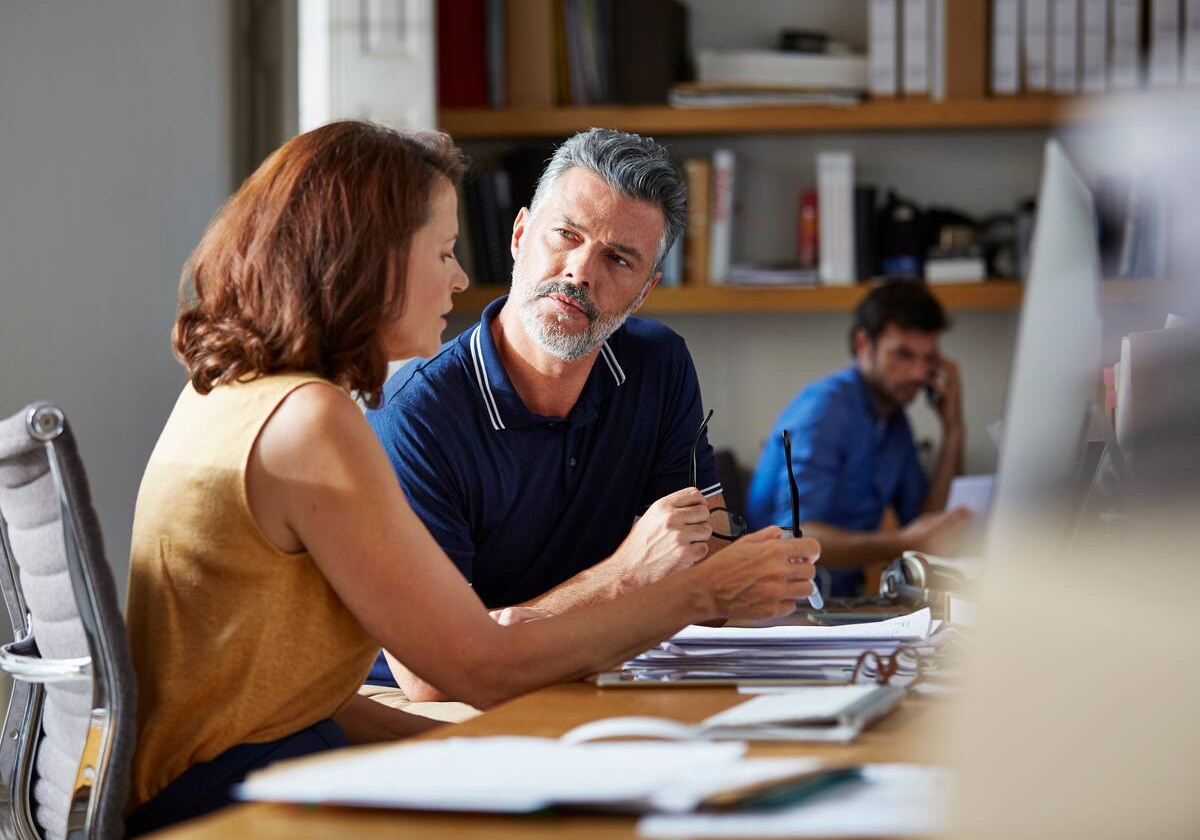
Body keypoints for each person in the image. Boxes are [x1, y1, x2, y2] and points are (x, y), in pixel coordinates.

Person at [122, 121, 818, 835]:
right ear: (371, 260)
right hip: (220, 806)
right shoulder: (312, 422)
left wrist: (500, 752)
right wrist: (696, 590)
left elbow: (290, 696)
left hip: (229, 773)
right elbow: (476, 669)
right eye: (445, 252)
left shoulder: (232, 394)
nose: (458, 278)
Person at [366, 128, 809, 703]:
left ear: (644, 291)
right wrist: (625, 576)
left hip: (604, 681)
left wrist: (736, 580)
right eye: (566, 235)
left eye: (618, 259)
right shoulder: (415, 415)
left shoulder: (659, 364)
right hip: (448, 718)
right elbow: (432, 676)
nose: (580, 272)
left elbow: (710, 564)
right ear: (521, 234)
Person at [745, 278, 971, 598]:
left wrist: (953, 428)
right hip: (778, 606)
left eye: (929, 359)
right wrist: (903, 543)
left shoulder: (894, 421)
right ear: (864, 345)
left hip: (839, 603)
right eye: (903, 355)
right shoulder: (824, 411)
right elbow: (793, 538)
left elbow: (929, 525)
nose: (920, 374)